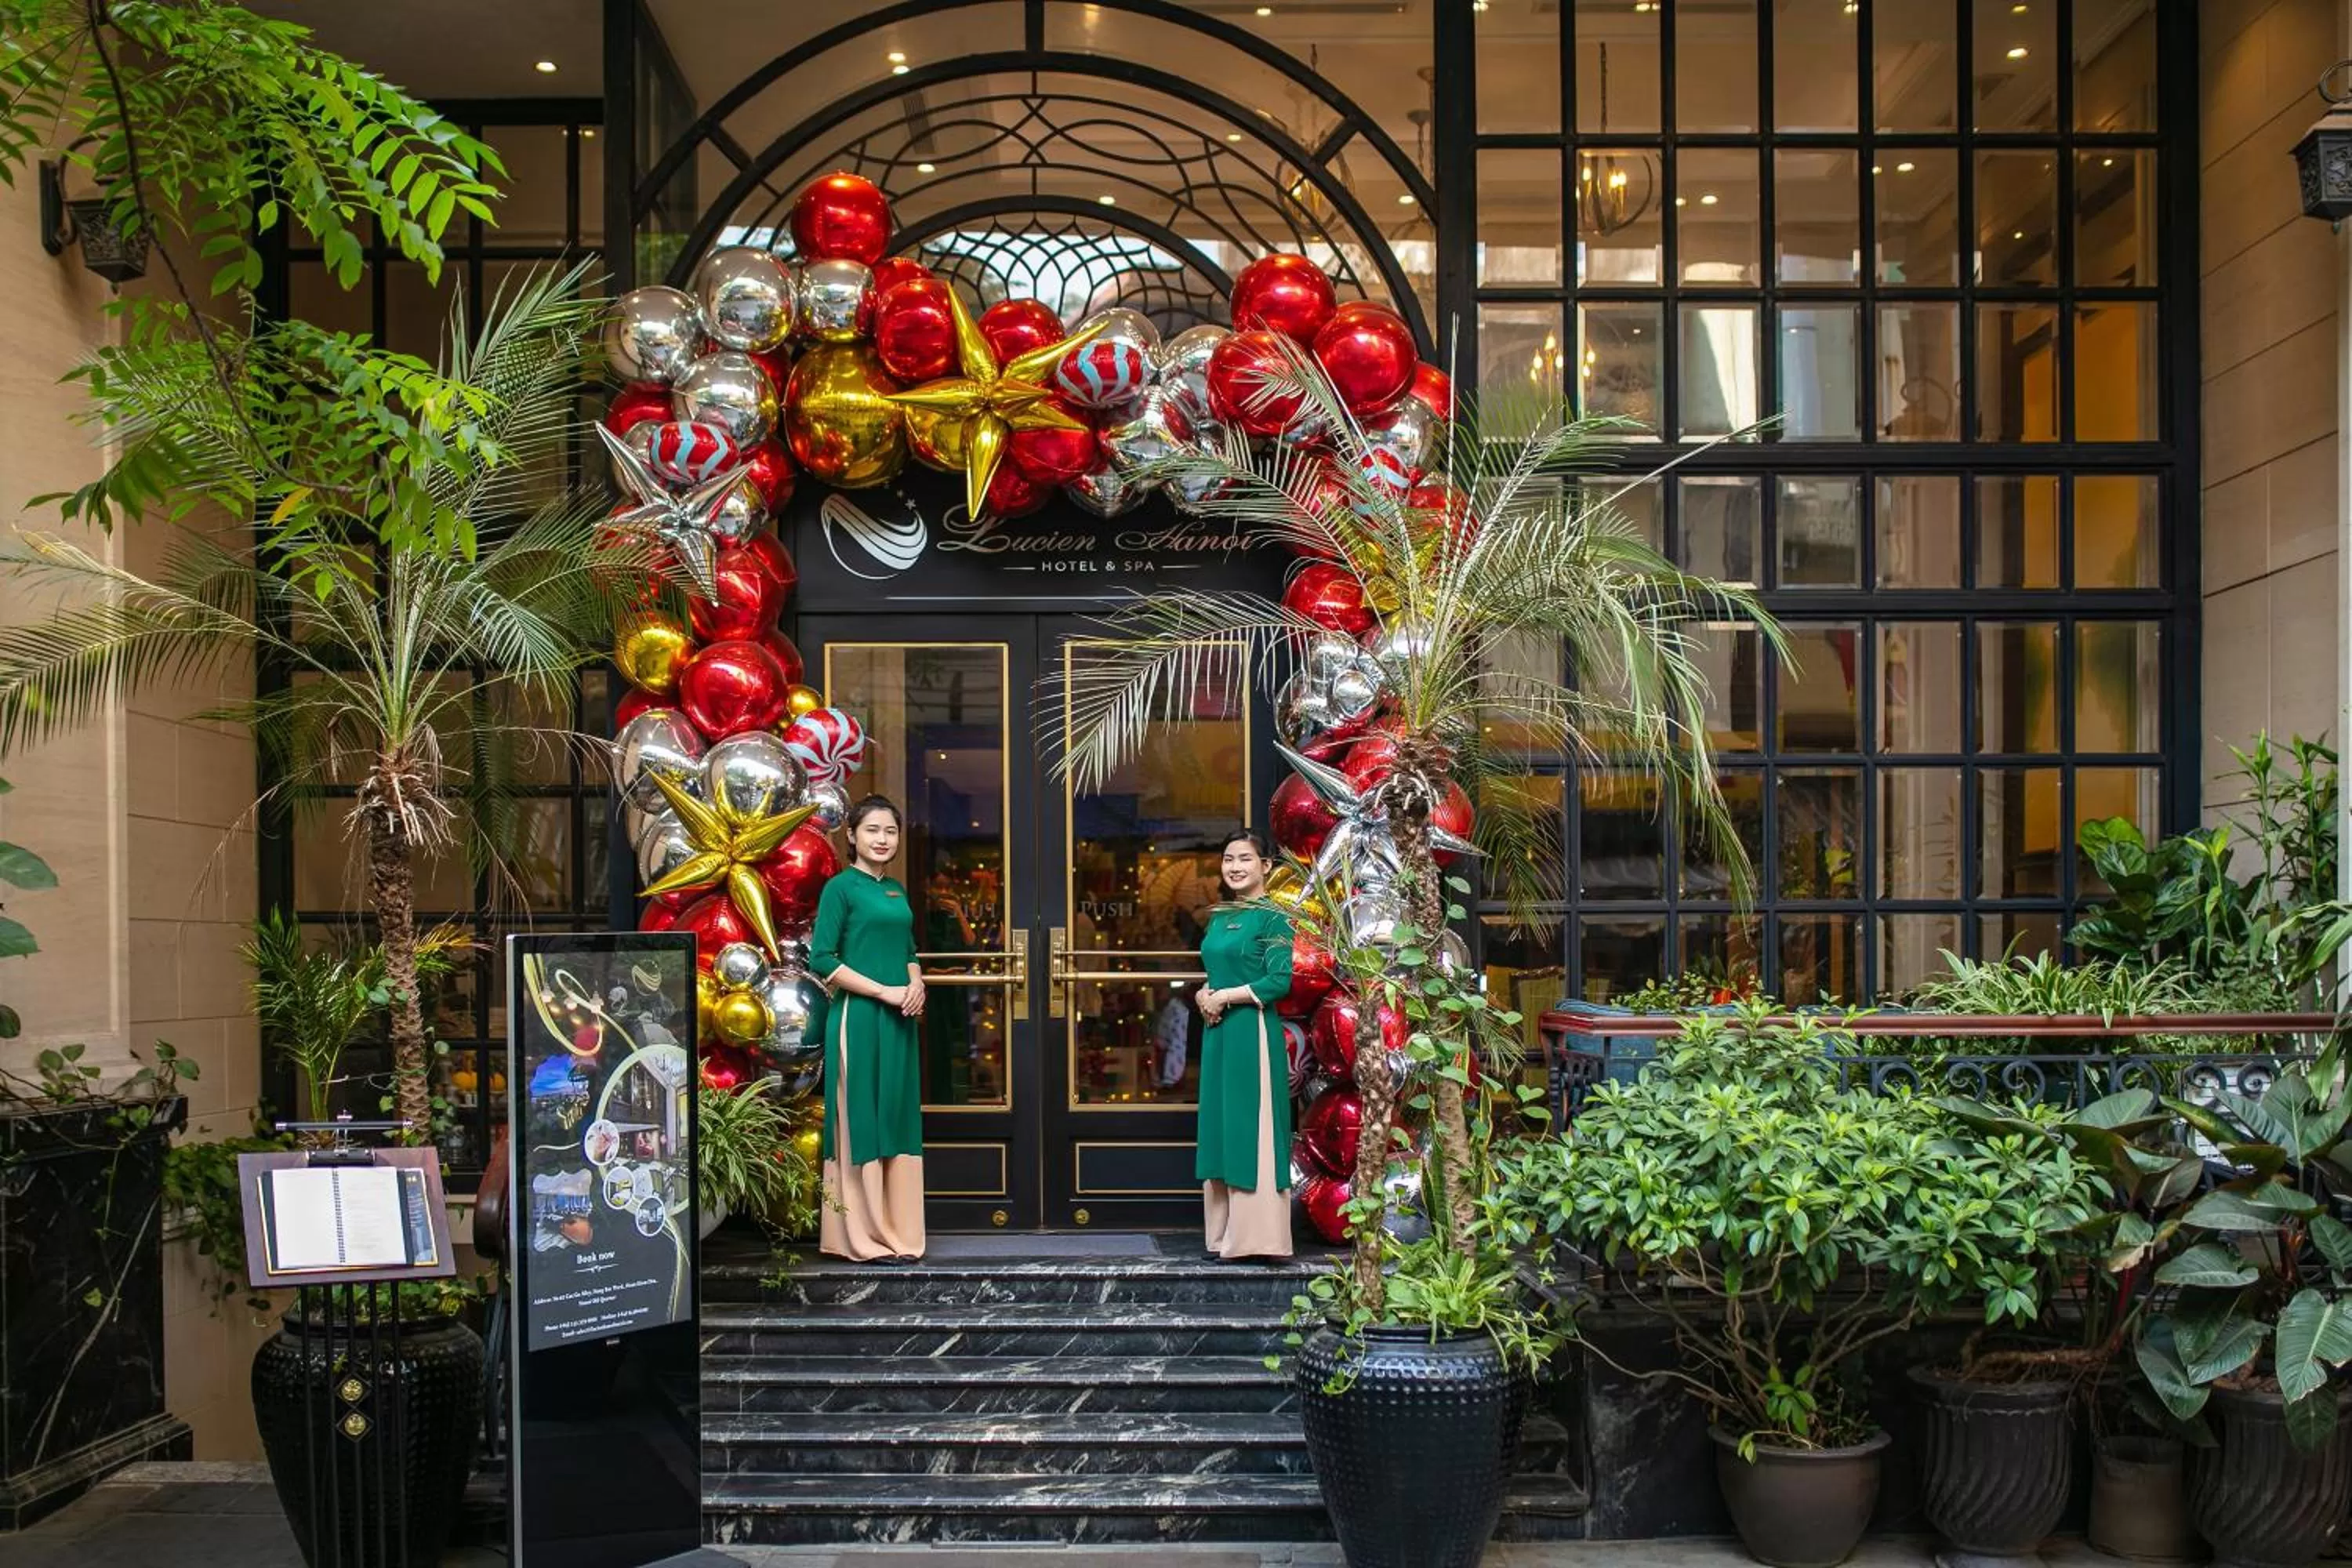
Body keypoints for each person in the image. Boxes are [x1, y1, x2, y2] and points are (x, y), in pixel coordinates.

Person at [811, 795, 927, 1263]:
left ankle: (899, 1229)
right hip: (858, 1020)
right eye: (874, 830)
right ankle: (859, 1234)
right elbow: (823, 960)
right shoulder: (840, 888)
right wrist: (885, 992)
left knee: (896, 1116)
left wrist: (916, 982)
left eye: (891, 831)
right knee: (860, 1116)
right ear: (852, 836)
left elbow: (909, 948)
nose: (883, 839)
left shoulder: (895, 890)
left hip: (900, 1020)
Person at [1192, 829, 1294, 1261]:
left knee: (1250, 1125)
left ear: (1266, 866)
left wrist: (1224, 997)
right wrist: (1203, 994)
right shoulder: (1220, 916)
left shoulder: (1275, 918)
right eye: (1228, 858)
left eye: (1245, 859)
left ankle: (1257, 1237)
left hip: (1251, 1031)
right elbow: (1216, 972)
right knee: (1220, 1125)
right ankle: (1222, 1235)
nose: (1234, 867)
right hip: (1218, 1032)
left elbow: (1278, 980)